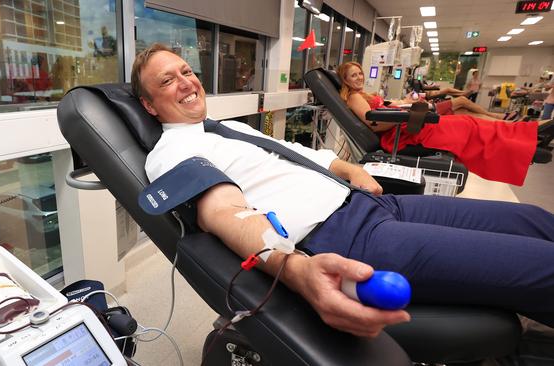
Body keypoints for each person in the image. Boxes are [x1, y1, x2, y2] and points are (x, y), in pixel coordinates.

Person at [133, 43, 554, 338]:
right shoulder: (172, 152)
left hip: (374, 203)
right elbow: (223, 212)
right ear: (150, 105)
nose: (186, 82)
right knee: (543, 267)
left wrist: (350, 168)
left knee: (533, 220)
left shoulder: (228, 128)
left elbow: (294, 151)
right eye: (168, 81)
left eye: (186, 71)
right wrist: (294, 271)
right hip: (347, 236)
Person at [338, 61, 551, 186]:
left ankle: (526, 133)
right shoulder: (354, 97)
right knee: (467, 125)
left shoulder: (364, 93)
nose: (359, 78)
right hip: (399, 135)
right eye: (353, 75)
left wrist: (404, 104)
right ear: (345, 80)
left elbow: (383, 109)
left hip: (403, 127)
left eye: (360, 73)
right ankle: (525, 138)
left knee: (468, 122)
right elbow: (373, 121)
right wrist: (404, 112)